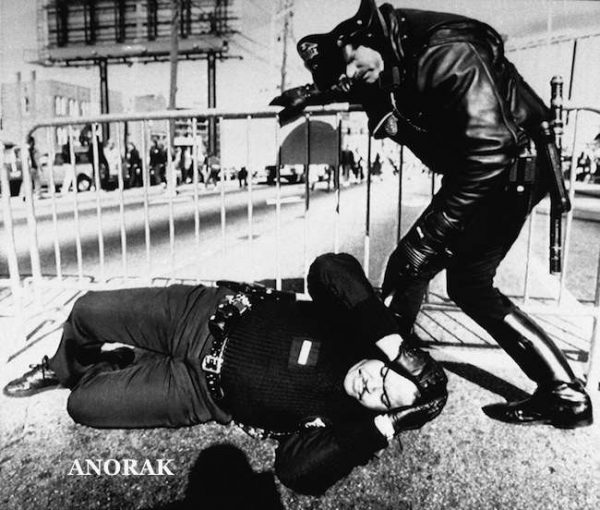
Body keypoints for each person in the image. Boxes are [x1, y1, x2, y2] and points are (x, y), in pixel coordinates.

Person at [272, 0, 592, 428]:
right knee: (465, 285)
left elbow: (490, 150)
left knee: (416, 265)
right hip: (503, 172)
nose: (350, 75)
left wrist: (430, 236)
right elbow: (355, 77)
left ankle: (394, 373)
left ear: (367, 36)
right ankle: (564, 395)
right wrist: (312, 93)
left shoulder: (446, 53)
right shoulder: (392, 50)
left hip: (501, 171)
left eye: (349, 63)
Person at [3, 253, 447, 495]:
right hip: (198, 316)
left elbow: (296, 473)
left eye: (383, 399)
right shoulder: (359, 327)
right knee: (86, 311)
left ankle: (123, 364)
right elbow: (330, 268)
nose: (372, 385)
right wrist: (395, 343)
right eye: (384, 374)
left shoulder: (347, 428)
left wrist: (381, 429)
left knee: (82, 406)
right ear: (388, 357)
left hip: (197, 392)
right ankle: (62, 366)